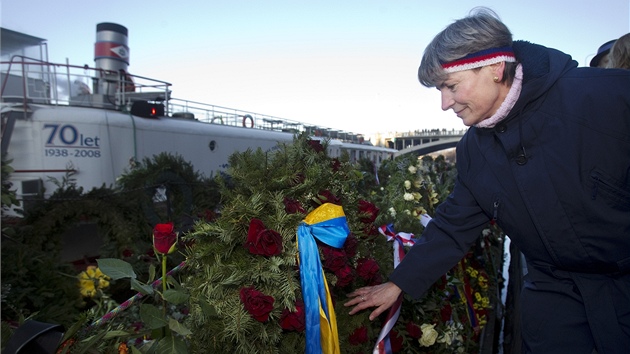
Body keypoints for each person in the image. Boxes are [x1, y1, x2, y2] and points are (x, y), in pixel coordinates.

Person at [345, 7, 630, 354]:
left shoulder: (607, 98)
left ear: (495, 68)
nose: (444, 103)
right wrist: (399, 283)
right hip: (556, 306)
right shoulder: (474, 152)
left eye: (450, 86)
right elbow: (453, 227)